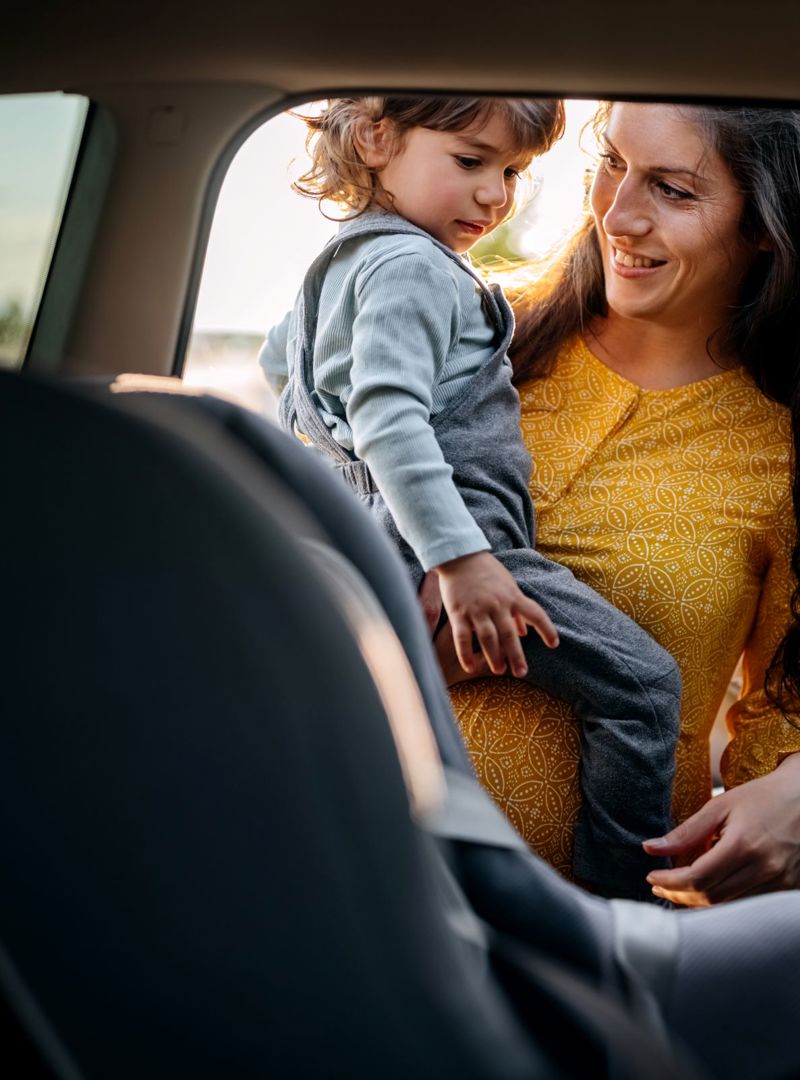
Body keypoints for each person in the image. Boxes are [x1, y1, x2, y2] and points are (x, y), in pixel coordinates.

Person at [441, 102, 800, 905]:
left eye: (674, 190)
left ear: (767, 226)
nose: (618, 215)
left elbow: (794, 701)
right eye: (613, 162)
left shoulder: (790, 457)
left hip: (593, 934)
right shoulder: (475, 333)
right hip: (366, 866)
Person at [258, 96, 682, 900]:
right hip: (472, 554)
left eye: (514, 172)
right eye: (470, 161)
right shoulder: (416, 269)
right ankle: (625, 908)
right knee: (645, 689)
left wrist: (345, 472)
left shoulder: (340, 265)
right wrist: (461, 561)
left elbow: (284, 368)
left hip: (385, 544)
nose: (495, 195)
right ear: (377, 138)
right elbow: (388, 414)